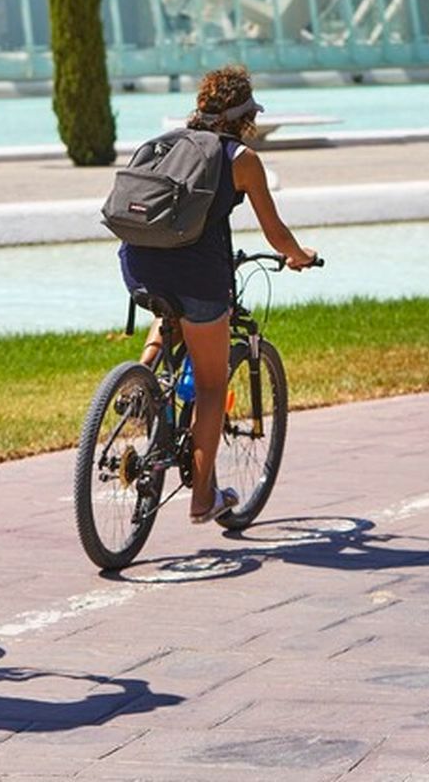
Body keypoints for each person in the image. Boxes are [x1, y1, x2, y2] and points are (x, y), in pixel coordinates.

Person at [119, 65, 316, 525]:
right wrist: (299, 255)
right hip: (200, 278)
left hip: (138, 265)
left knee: (169, 304)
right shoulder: (242, 158)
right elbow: (276, 233)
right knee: (210, 387)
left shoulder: (166, 143)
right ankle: (203, 499)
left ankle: (141, 378)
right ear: (245, 115)